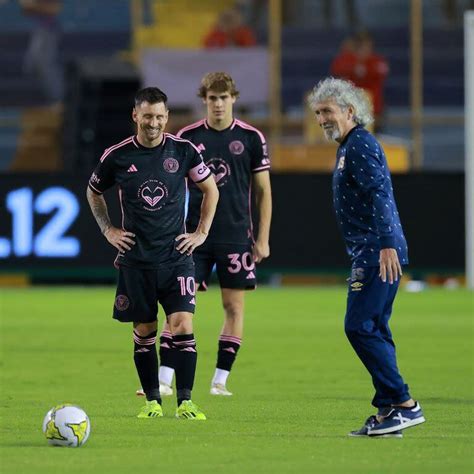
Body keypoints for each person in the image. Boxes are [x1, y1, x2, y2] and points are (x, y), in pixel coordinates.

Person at [87, 87, 219, 419]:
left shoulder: (184, 151)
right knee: (145, 332)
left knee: (182, 324)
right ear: (135, 116)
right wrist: (108, 229)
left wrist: (201, 232)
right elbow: (93, 192)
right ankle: (152, 403)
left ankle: (186, 400)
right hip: (137, 260)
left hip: (177, 258)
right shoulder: (116, 156)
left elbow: (210, 189)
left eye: (160, 116)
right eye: (148, 116)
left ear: (167, 117)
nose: (154, 123)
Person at [137, 72, 271, 397]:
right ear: (205, 101)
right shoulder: (187, 136)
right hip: (192, 237)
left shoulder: (252, 138)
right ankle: (166, 379)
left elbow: (263, 191)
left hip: (237, 235)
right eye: (212, 98)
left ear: (234, 99)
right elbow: (170, 186)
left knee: (233, 307)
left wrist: (263, 237)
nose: (218, 103)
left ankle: (220, 380)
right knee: (178, 306)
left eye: (224, 97)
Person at [308, 77, 425, 437]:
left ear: (350, 110)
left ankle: (404, 403)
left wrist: (388, 242)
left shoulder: (359, 145)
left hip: (376, 252)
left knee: (358, 326)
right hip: (373, 249)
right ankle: (390, 410)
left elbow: (379, 194)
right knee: (375, 327)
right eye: (317, 113)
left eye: (327, 111)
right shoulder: (349, 146)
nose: (322, 119)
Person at [330, 31, 388, 132]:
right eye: (360, 45)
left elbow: (382, 70)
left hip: (374, 110)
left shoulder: (376, 61)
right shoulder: (348, 60)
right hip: (352, 112)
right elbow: (336, 68)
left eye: (367, 45)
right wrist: (347, 54)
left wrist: (362, 68)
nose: (364, 49)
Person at [21, 0, 64, 105]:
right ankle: (52, 96)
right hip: (42, 30)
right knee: (31, 64)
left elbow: (54, 9)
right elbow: (26, 11)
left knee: (46, 64)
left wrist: (32, 6)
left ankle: (58, 97)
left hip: (49, 31)